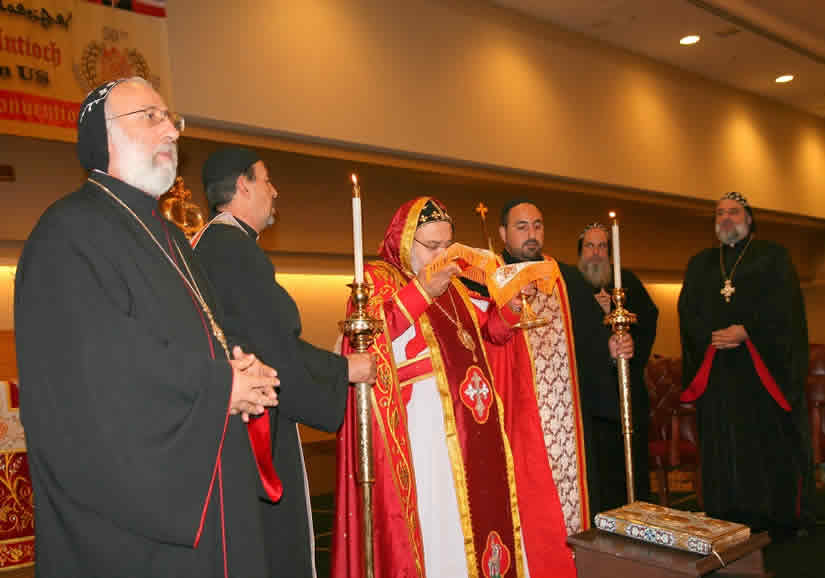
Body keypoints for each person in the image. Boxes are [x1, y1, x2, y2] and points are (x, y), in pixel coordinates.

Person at [14, 77, 280, 577]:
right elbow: (97, 370)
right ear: (105, 136)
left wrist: (239, 369)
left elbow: (199, 337)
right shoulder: (67, 233)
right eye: (151, 117)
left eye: (171, 119)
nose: (172, 131)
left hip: (210, 485)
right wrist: (220, 386)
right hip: (136, 527)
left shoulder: (173, 238)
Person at [331, 197, 576, 578]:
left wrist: (511, 305)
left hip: (475, 430)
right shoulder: (379, 279)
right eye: (432, 246)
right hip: (424, 433)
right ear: (404, 242)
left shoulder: (455, 287)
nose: (442, 257)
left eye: (448, 246)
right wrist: (422, 290)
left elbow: (491, 332)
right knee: (442, 531)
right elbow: (369, 335)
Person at [192, 146, 377, 578]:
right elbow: (274, 350)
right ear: (243, 186)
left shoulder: (205, 245)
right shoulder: (234, 250)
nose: (274, 191)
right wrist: (344, 369)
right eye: (266, 179)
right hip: (252, 433)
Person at [679, 192, 813, 536]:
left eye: (734, 212)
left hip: (760, 374)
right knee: (721, 448)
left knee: (765, 446)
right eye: (720, 213)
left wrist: (747, 330)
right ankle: (725, 517)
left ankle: (772, 520)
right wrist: (712, 335)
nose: (726, 218)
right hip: (718, 375)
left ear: (749, 219)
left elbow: (786, 311)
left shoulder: (773, 257)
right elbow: (688, 312)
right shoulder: (700, 264)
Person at [490, 199, 591, 539]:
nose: (531, 233)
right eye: (521, 227)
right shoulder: (487, 279)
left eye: (537, 225)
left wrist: (611, 349)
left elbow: (590, 339)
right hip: (513, 413)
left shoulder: (568, 279)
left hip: (566, 418)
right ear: (503, 233)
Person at [574, 222, 657, 512]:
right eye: (590, 246)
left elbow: (647, 323)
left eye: (602, 246)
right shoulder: (572, 287)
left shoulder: (628, 282)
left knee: (633, 478)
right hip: (590, 405)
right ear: (580, 253)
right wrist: (597, 316)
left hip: (628, 398)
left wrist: (626, 336)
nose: (596, 253)